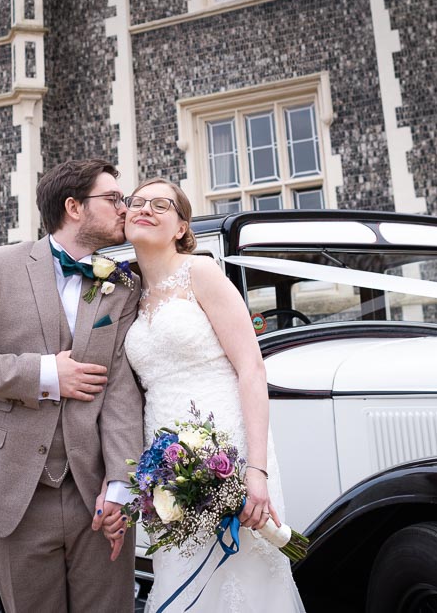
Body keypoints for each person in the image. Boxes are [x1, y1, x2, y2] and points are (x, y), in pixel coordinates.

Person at [0, 158, 144, 613]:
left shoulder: (123, 285)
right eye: (113, 199)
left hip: (94, 494)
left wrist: (120, 485)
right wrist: (47, 375)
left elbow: (121, 391)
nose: (125, 208)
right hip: (13, 491)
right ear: (74, 207)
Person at [123, 179, 306, 612]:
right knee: (182, 569)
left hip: (229, 446)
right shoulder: (129, 294)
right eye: (137, 202)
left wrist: (256, 470)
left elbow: (251, 368)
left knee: (245, 570)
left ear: (181, 226)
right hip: (165, 462)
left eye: (161, 205)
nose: (145, 209)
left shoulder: (200, 272)